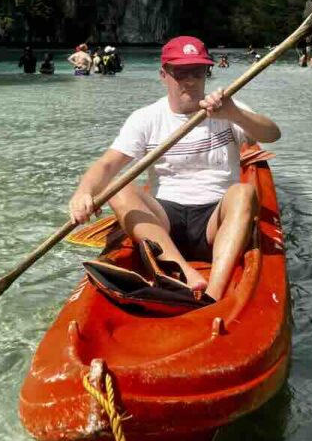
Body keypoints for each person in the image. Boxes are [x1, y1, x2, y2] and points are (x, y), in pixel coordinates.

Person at [68, 35, 281, 301]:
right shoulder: (147, 117)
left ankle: (213, 293)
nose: (190, 80)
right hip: (164, 224)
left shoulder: (227, 109)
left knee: (244, 193)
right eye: (180, 72)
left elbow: (273, 134)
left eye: (197, 71)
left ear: (207, 72)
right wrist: (83, 192)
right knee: (118, 190)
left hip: (216, 220)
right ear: (164, 74)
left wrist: (234, 114)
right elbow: (108, 163)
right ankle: (183, 272)